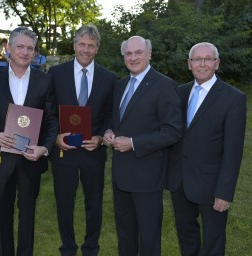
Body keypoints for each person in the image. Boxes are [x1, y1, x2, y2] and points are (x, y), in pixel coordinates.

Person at [102, 36, 181, 256]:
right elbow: (115, 119)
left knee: (149, 238)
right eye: (128, 54)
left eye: (138, 52)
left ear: (149, 54)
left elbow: (172, 131)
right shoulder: (120, 85)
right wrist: (108, 132)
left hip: (148, 177)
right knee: (125, 235)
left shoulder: (165, 85)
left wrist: (134, 143)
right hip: (121, 176)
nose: (133, 57)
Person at [0, 27, 58, 256]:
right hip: (1, 160)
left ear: (35, 52)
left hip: (30, 160)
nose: (25, 52)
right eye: (20, 47)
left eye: (30, 48)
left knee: (28, 217)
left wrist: (44, 148)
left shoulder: (44, 80)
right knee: (2, 217)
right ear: (9, 48)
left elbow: (52, 120)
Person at [167, 42, 246, 256]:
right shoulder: (179, 93)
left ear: (217, 63)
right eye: (197, 59)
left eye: (208, 59)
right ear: (189, 64)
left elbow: (233, 152)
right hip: (180, 182)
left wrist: (224, 192)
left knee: (213, 242)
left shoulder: (233, 99)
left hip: (212, 186)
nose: (202, 64)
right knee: (187, 237)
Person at [48, 24, 116, 256]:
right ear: (74, 45)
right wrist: (55, 137)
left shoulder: (109, 78)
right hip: (63, 152)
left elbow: (110, 114)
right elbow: (49, 111)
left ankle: (91, 248)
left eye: (91, 45)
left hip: (93, 152)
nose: (86, 49)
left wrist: (101, 137)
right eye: (82, 44)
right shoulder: (56, 74)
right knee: (64, 203)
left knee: (94, 203)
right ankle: (67, 247)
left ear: (97, 48)